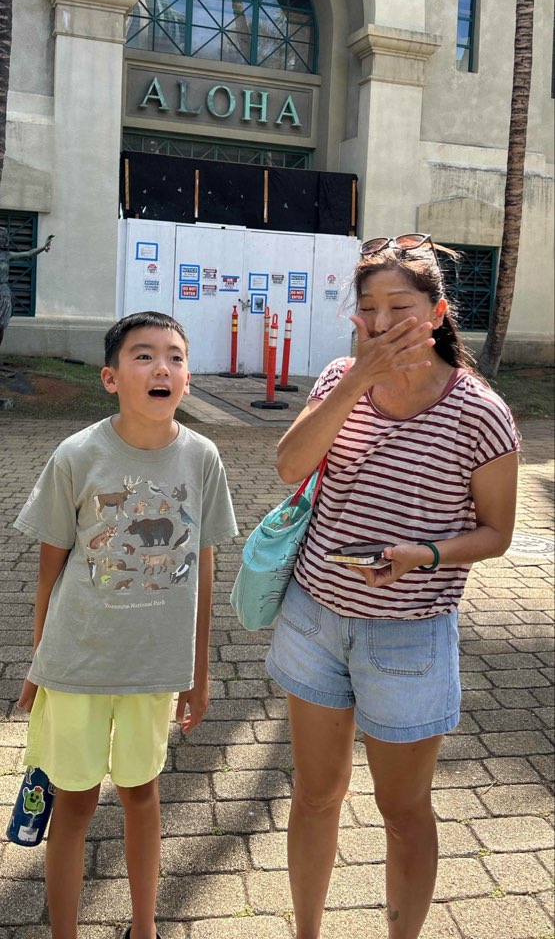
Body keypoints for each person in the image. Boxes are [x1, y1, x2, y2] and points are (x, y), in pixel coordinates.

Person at [266, 234, 520, 939]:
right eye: (368, 307)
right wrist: (351, 382)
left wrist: (425, 553)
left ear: (436, 313)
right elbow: (289, 466)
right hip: (314, 618)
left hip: (408, 632)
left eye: (397, 307)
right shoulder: (337, 379)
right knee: (315, 797)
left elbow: (496, 532)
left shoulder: (478, 412)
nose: (380, 321)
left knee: (403, 810)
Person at [15, 310, 237, 939]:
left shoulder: (204, 457)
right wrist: (37, 668)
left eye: (174, 355)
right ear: (111, 378)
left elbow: (204, 573)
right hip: (77, 665)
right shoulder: (77, 454)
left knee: (142, 794)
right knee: (76, 803)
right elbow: (48, 574)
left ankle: (145, 927)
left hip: (153, 670)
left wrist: (199, 674)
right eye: (143, 355)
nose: (160, 366)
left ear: (188, 380)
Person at [0, 227, 54, 345]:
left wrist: (43, 247)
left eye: (3, 237)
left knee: (1, 324)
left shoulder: (7, 255)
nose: (2, 239)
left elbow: (27, 254)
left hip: (2, 293)